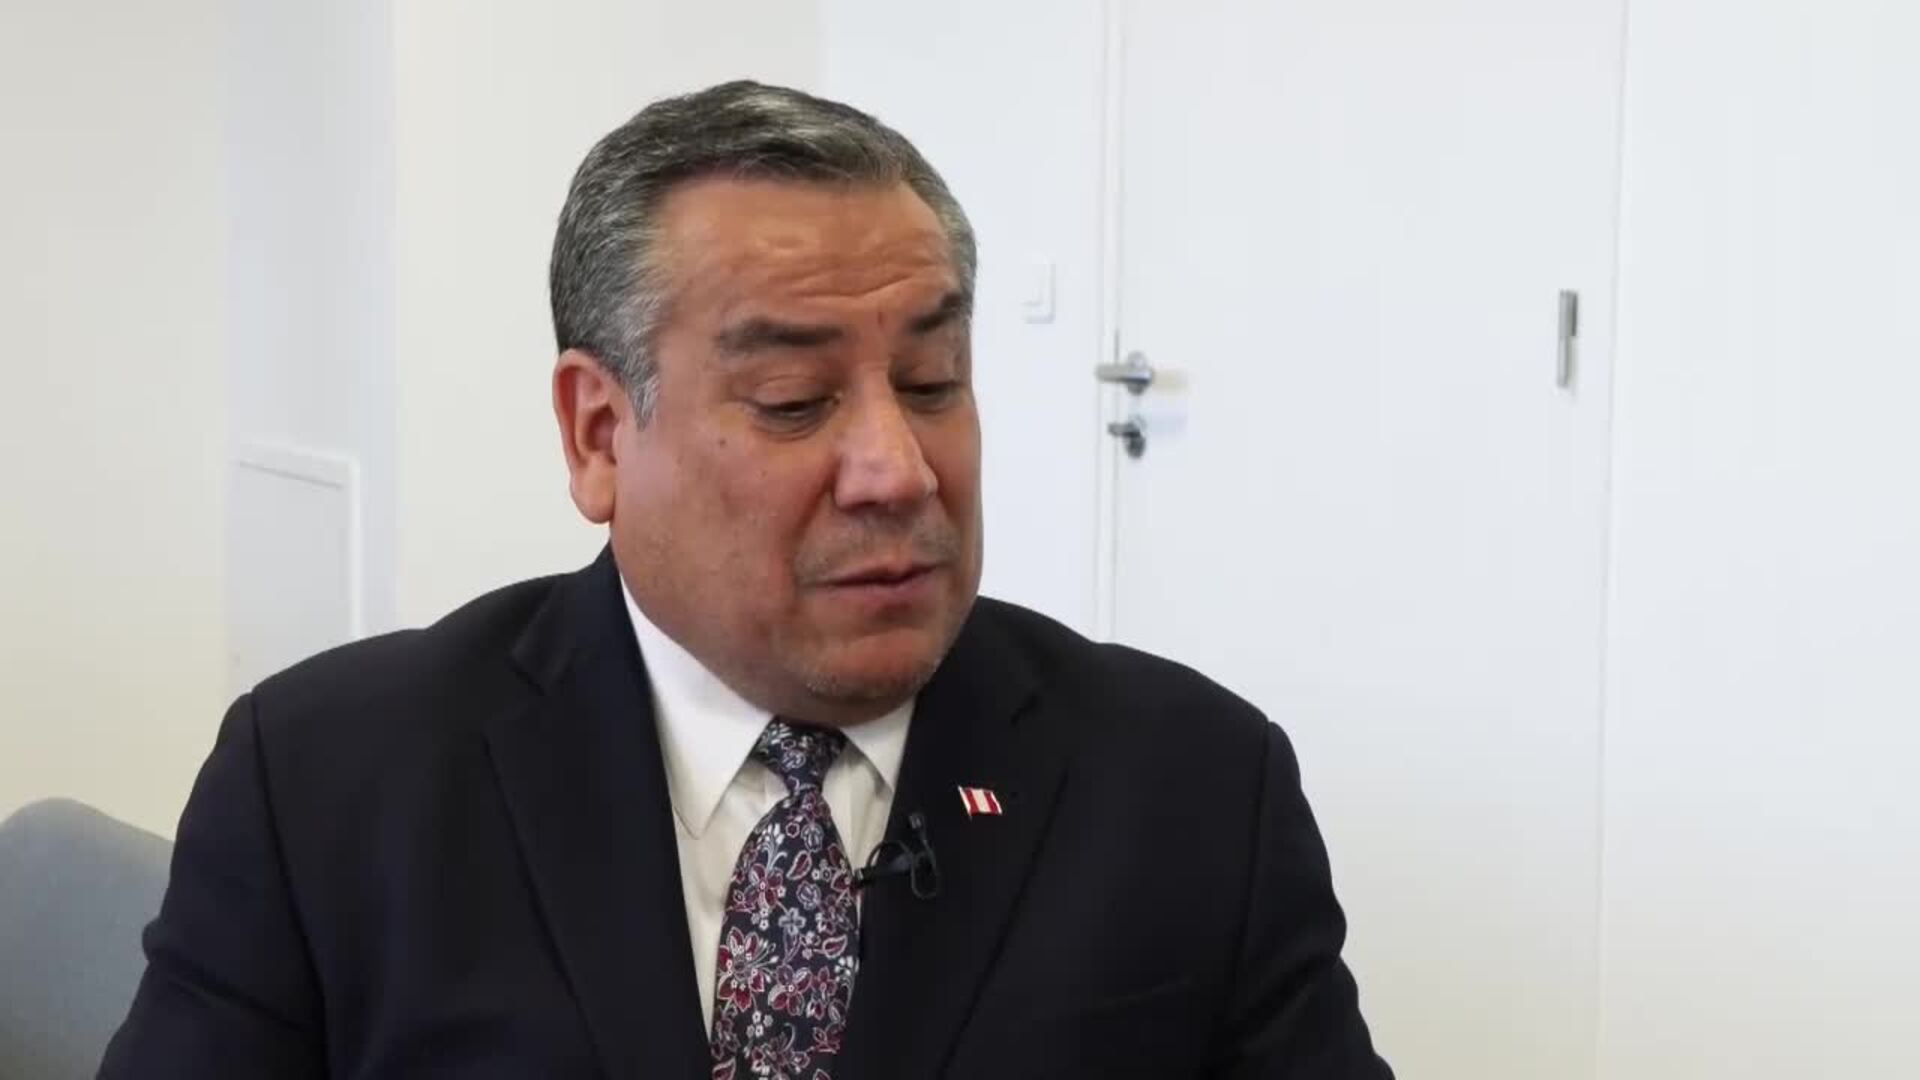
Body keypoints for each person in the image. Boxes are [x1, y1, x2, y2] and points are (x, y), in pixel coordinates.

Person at [100, 80, 1391, 1079]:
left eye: (932, 383)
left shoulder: (1194, 785)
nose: (897, 470)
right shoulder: (327, 782)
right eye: (792, 399)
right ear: (599, 435)